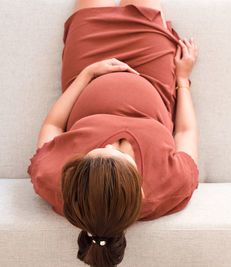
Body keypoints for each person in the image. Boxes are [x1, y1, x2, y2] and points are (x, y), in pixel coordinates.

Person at [26, 0, 199, 266]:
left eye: (97, 151)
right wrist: (183, 79)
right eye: (121, 154)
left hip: (89, 63)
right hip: (151, 71)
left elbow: (53, 127)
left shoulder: (58, 182)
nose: (110, 145)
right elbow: (185, 132)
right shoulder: (170, 184)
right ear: (140, 189)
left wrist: (87, 74)